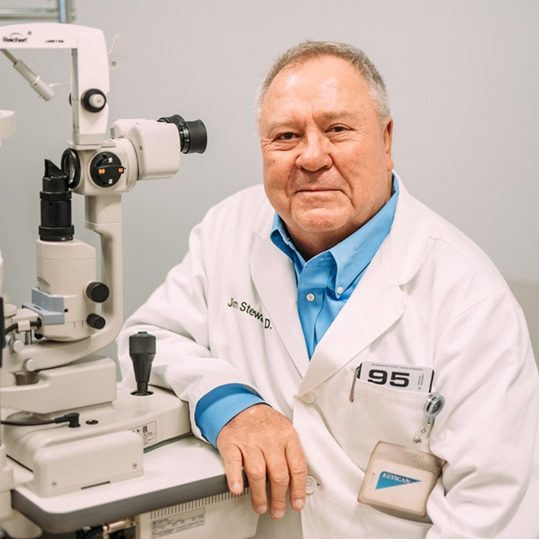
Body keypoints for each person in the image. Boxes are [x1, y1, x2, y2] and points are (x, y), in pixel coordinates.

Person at [117, 41, 539, 538]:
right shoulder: (228, 229)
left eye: (337, 129)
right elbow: (145, 340)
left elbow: (489, 509)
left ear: (386, 139)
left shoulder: (469, 299)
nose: (312, 157)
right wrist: (231, 404)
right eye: (286, 136)